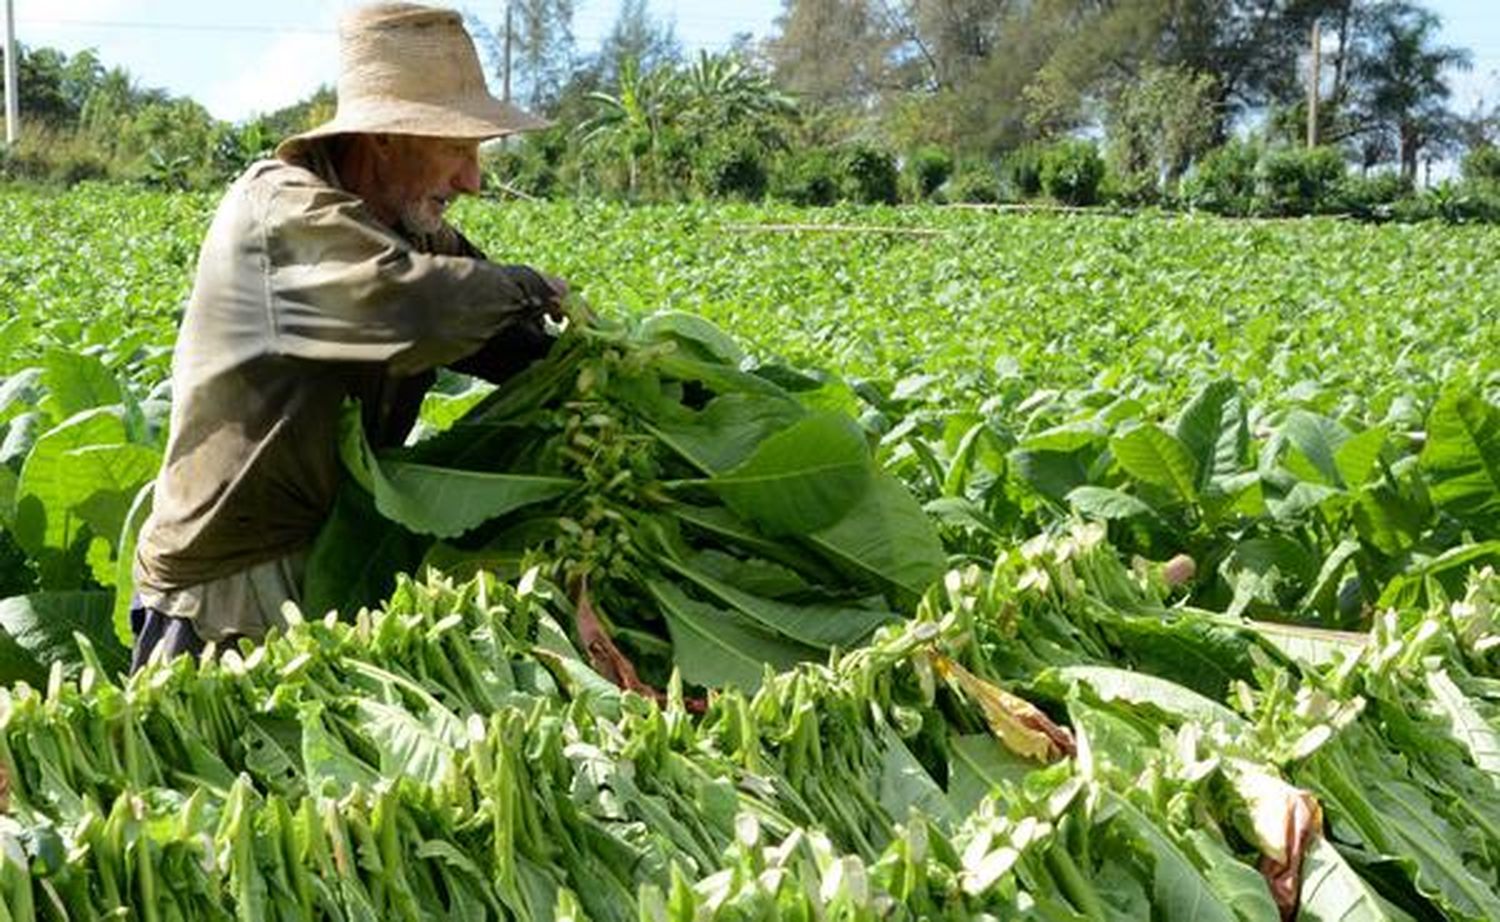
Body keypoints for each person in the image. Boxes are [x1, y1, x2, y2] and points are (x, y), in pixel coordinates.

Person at [129, 2, 567, 670]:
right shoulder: (282, 211)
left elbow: (504, 337)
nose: (472, 180)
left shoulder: (403, 231)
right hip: (226, 588)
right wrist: (532, 283)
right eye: (456, 148)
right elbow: (420, 311)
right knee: (212, 772)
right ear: (385, 136)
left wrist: (609, 373)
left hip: (328, 563)